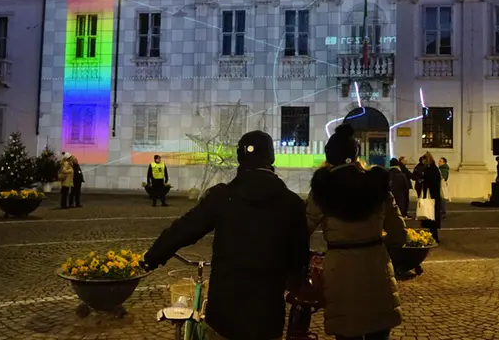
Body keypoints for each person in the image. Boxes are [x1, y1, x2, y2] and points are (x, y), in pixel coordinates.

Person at [142, 130, 309, 340]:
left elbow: (184, 229)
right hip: (267, 315)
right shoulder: (292, 203)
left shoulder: (222, 196)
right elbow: (299, 257)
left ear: (240, 157)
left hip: (224, 312)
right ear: (271, 157)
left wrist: (152, 258)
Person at [306, 124, 407, 340]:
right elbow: (399, 234)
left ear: (329, 156)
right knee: (378, 330)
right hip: (376, 267)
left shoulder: (322, 189)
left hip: (340, 270)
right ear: (355, 155)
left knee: (346, 329)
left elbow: (302, 229)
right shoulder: (378, 186)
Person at [420, 152, 443, 243]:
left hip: (431, 197)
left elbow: (429, 184)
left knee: (431, 218)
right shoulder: (435, 169)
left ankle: (434, 237)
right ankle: (434, 236)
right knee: (432, 218)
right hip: (435, 196)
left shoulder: (430, 170)